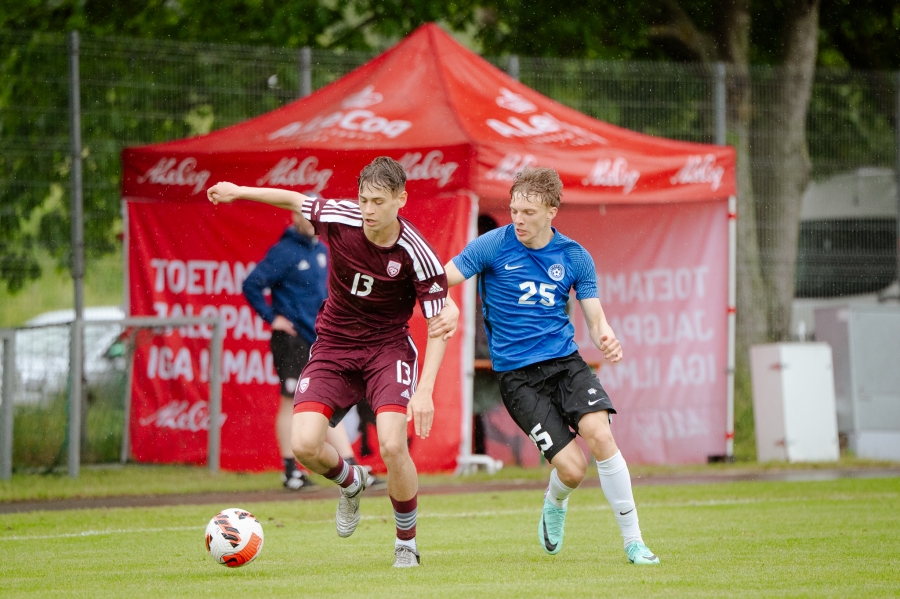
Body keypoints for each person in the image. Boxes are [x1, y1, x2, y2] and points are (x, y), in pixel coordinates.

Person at [208, 156, 455, 568]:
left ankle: (406, 544)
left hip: (386, 350)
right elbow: (292, 199)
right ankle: (351, 481)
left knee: (393, 444)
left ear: (401, 199)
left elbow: (440, 323)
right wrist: (238, 191)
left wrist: (425, 389)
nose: (369, 210)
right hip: (334, 347)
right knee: (304, 445)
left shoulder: (418, 253)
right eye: (363, 200)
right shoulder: (341, 216)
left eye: (378, 201)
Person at [429, 166, 660, 565]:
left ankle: (634, 542)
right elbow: (437, 279)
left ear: (552, 211)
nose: (518, 219)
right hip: (518, 379)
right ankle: (555, 501)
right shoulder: (492, 245)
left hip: (565, 365)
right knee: (573, 469)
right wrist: (445, 300)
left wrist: (606, 335)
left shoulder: (574, 256)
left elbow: (595, 317)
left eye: (529, 212)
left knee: (601, 436)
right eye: (515, 209)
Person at [242, 209, 327, 491]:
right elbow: (252, 283)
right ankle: (291, 472)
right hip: (292, 341)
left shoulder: (322, 250)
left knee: (321, 403)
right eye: (308, 215)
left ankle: (338, 464)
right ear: (295, 217)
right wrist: (271, 317)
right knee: (290, 401)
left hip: (319, 340)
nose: (314, 222)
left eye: (319, 215)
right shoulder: (284, 250)